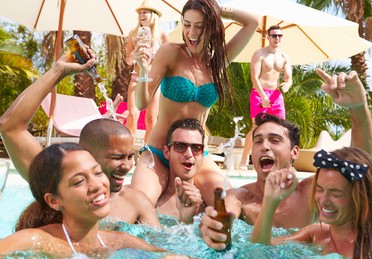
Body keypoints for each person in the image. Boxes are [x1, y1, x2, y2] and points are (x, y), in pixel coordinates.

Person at [199, 69, 372, 251]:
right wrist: (215, 226)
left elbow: (362, 165)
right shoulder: (239, 197)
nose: (265, 146)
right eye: (258, 141)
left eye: (275, 140)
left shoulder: (312, 192)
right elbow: (226, 214)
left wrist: (358, 108)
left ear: (294, 152)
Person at [0, 51, 160, 228]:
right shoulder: (57, 187)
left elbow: (162, 250)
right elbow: (10, 127)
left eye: (130, 156)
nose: (128, 165)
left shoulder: (135, 202)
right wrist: (58, 71)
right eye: (117, 157)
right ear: (87, 155)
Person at [130, 0, 260, 207]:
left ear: (213, 27)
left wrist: (217, 11)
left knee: (228, 205)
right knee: (137, 205)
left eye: (200, 26)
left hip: (197, 157)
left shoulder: (218, 61)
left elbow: (252, 22)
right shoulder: (170, 52)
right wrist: (144, 71)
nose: (192, 32)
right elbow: (142, 103)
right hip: (159, 152)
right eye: (187, 24)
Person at [0, 143, 166, 259]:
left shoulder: (121, 242)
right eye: (79, 181)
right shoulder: (35, 241)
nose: (96, 185)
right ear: (54, 201)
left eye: (98, 173)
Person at [251, 147, 372, 259]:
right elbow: (261, 249)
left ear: (362, 197)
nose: (323, 200)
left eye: (336, 193)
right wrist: (270, 201)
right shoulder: (316, 235)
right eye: (319, 189)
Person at [239, 25, 292, 171]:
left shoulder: (284, 56)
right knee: (256, 127)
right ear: (268, 37)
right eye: (274, 35)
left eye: (280, 36)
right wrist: (263, 96)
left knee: (282, 128)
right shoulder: (259, 54)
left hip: (276, 95)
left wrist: (288, 83)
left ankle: (282, 162)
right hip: (259, 93)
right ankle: (244, 161)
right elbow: (254, 77)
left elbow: (289, 78)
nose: (277, 38)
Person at [126, 0, 169, 143]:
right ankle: (128, 152)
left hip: (154, 80)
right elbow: (128, 60)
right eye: (140, 12)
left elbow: (168, 61)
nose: (141, 15)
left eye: (145, 12)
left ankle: (147, 152)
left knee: (151, 118)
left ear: (154, 15)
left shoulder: (162, 36)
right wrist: (132, 57)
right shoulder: (133, 34)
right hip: (136, 77)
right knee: (132, 114)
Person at [157, 118, 205, 224]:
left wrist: (187, 220)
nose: (189, 154)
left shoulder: (210, 205)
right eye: (180, 146)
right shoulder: (152, 203)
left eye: (196, 148)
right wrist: (184, 221)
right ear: (166, 152)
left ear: (202, 154)